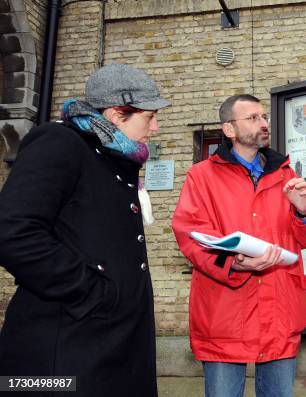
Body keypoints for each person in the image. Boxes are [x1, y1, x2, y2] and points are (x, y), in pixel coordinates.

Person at [0, 63, 169, 396]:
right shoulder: (59, 142)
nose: (157, 127)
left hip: (110, 345)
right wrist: (92, 292)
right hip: (66, 347)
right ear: (117, 113)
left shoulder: (113, 158)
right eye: (149, 117)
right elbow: (12, 231)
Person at [172, 94, 306, 397]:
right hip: (225, 313)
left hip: (280, 310)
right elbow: (190, 235)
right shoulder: (201, 176)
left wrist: (304, 211)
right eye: (253, 118)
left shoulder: (285, 173)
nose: (264, 123)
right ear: (229, 129)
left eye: (264, 116)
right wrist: (233, 263)